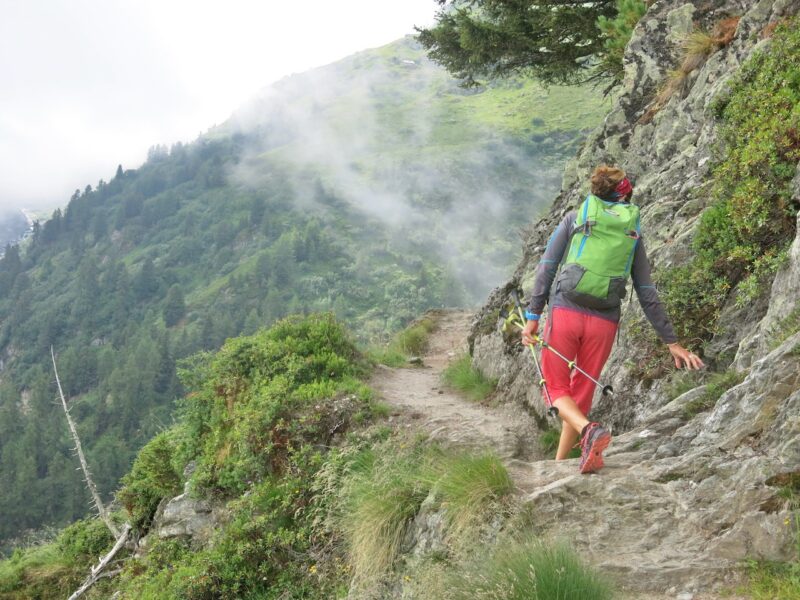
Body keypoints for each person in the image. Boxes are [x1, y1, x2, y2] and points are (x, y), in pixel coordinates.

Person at [521, 165, 704, 474]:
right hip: (604, 323)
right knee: (580, 395)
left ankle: (589, 432)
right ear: (626, 194)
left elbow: (547, 266)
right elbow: (646, 290)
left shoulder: (578, 218)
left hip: (566, 311)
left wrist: (533, 315)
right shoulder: (631, 233)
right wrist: (671, 342)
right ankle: (561, 464)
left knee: (555, 389)